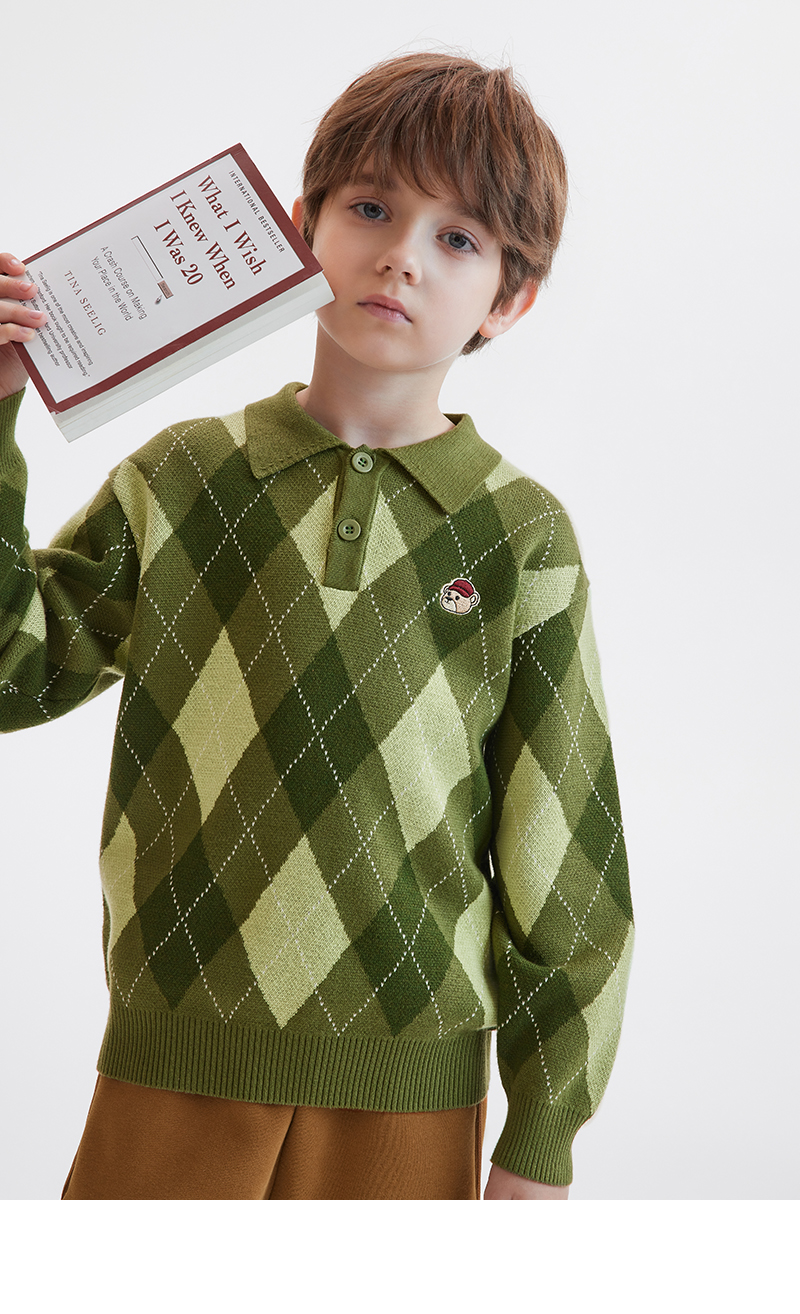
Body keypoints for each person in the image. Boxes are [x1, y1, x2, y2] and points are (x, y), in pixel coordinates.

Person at [0, 51, 634, 1199]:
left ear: (510, 299)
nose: (401, 256)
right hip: (171, 1060)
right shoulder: (182, 479)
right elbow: (12, 674)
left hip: (409, 1093)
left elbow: (564, 851)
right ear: (300, 228)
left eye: (458, 238)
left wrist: (540, 1138)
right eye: (372, 208)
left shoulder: (519, 536)